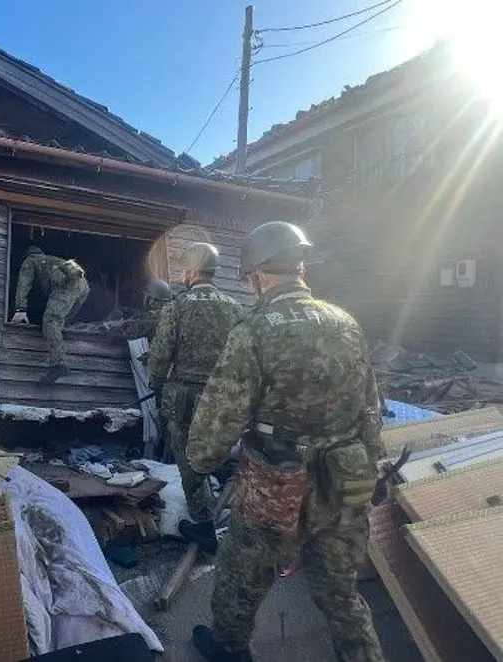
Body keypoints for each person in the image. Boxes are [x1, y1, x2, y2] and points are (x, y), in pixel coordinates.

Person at [185, 222, 385, 662]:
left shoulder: (254, 329)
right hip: (343, 478)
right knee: (340, 592)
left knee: (243, 573)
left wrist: (201, 460)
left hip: (275, 483)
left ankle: (229, 648)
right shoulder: (346, 322)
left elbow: (223, 412)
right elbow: (370, 407)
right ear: (299, 267)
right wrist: (374, 464)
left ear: (257, 275)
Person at [148, 242, 243, 553]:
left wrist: (156, 382)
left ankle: (203, 528)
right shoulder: (234, 307)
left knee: (188, 462)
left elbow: (161, 356)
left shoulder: (178, 306)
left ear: (191, 271)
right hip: (222, 396)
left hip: (185, 399)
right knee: (214, 453)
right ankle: (222, 507)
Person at [10, 245, 90, 385]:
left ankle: (57, 365)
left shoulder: (30, 260)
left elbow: (23, 284)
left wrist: (20, 309)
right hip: (83, 285)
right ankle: (59, 357)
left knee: (50, 320)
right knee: (59, 321)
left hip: (66, 283)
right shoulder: (51, 260)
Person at [104, 277, 172, 342]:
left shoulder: (150, 320)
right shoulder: (170, 314)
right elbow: (139, 314)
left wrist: (110, 326)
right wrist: (123, 311)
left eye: (146, 296)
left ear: (151, 300)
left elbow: (117, 332)